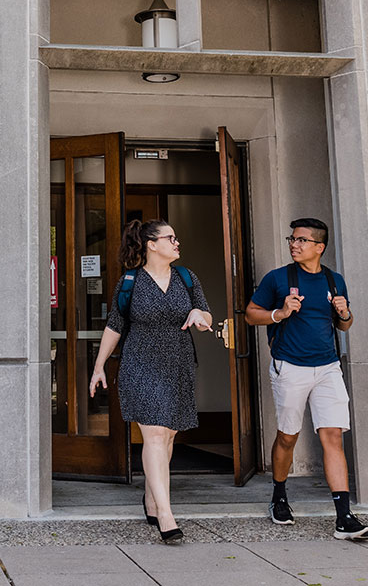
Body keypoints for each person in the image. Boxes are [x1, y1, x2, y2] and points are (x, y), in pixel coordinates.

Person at [244, 217, 368, 540]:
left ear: (319, 247)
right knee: (288, 436)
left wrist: (345, 314)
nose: (294, 244)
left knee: (332, 435)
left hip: (328, 368)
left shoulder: (333, 280)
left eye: (301, 240)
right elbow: (250, 314)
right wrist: (281, 313)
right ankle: (279, 496)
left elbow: (344, 326)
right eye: (292, 239)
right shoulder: (278, 279)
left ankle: (344, 518)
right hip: (290, 367)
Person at [89, 219, 213, 545]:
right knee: (155, 435)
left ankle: (150, 497)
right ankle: (167, 515)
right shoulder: (129, 282)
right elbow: (115, 326)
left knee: (168, 437)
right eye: (170, 238)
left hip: (179, 364)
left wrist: (200, 317)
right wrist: (99, 366)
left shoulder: (187, 278)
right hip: (140, 364)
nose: (177, 242)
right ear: (151, 244)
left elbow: (205, 312)